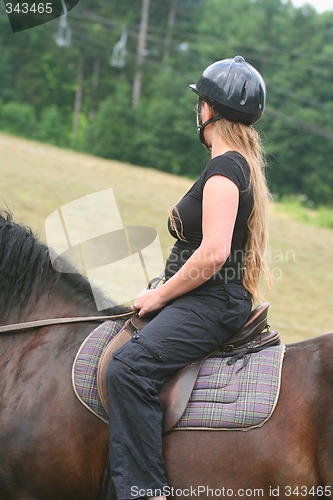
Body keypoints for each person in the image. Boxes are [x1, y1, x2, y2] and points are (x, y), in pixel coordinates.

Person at [106, 55, 272, 500]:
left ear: (210, 111)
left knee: (128, 369)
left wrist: (160, 294)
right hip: (203, 297)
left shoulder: (223, 171)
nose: (197, 111)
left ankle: (146, 493)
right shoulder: (236, 164)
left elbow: (214, 254)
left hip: (209, 302)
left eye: (200, 103)